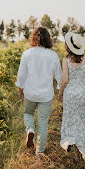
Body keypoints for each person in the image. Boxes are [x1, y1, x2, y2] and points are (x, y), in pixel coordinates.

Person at [16, 27, 62, 157]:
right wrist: (60, 91)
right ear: (48, 39)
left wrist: (20, 88)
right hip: (46, 95)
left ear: (33, 38)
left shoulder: (27, 53)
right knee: (43, 123)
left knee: (28, 113)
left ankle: (30, 129)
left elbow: (21, 74)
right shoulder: (53, 55)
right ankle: (39, 152)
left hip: (30, 92)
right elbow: (59, 76)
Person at [59, 32, 85, 162]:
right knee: (83, 121)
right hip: (82, 92)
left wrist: (60, 93)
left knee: (70, 120)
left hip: (70, 93)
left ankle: (71, 143)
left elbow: (64, 80)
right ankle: (82, 151)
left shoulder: (66, 60)